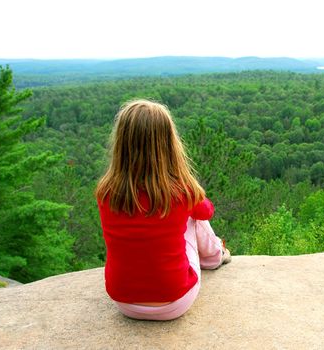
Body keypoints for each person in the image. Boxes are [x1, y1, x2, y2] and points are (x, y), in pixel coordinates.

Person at [95, 99, 231, 321]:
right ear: (168, 143)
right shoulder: (181, 191)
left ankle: (214, 255)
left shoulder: (106, 192)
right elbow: (206, 212)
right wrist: (192, 194)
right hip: (174, 301)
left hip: (124, 302)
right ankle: (215, 257)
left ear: (121, 143)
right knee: (192, 217)